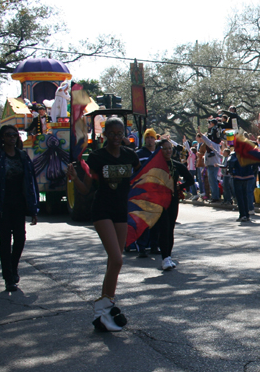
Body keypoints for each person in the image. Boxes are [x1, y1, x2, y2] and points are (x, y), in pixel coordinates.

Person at [66, 118, 140, 332]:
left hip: (120, 211)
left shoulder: (130, 155)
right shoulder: (97, 157)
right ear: (105, 134)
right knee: (117, 259)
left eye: (120, 133)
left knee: (113, 263)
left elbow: (142, 174)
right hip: (102, 210)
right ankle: (104, 306)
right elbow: (85, 189)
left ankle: (104, 312)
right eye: (113, 133)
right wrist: (73, 178)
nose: (117, 137)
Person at [0, 125, 39, 292]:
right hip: (2, 205)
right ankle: (8, 278)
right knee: (5, 240)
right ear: (2, 138)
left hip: (19, 204)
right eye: (8, 135)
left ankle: (13, 268)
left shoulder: (22, 156)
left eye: (14, 135)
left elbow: (31, 183)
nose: (12, 137)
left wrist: (34, 209)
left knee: (20, 238)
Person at [155, 139, 194, 270]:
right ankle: (164, 257)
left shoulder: (176, 165)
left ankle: (168, 256)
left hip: (172, 200)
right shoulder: (154, 165)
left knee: (170, 228)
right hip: (159, 201)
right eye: (164, 149)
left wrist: (179, 187)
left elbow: (190, 180)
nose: (168, 151)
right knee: (164, 228)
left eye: (169, 148)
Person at [135, 129, 160, 257]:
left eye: (152, 137)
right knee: (144, 220)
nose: (150, 140)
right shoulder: (139, 154)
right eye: (148, 137)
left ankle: (155, 245)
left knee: (155, 221)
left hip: (156, 192)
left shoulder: (158, 153)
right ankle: (142, 247)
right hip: (143, 192)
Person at [229, 150, 257, 222]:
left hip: (238, 176)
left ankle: (242, 214)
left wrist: (232, 172)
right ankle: (247, 214)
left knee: (239, 196)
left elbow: (231, 163)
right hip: (247, 176)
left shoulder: (234, 154)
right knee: (245, 195)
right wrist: (252, 171)